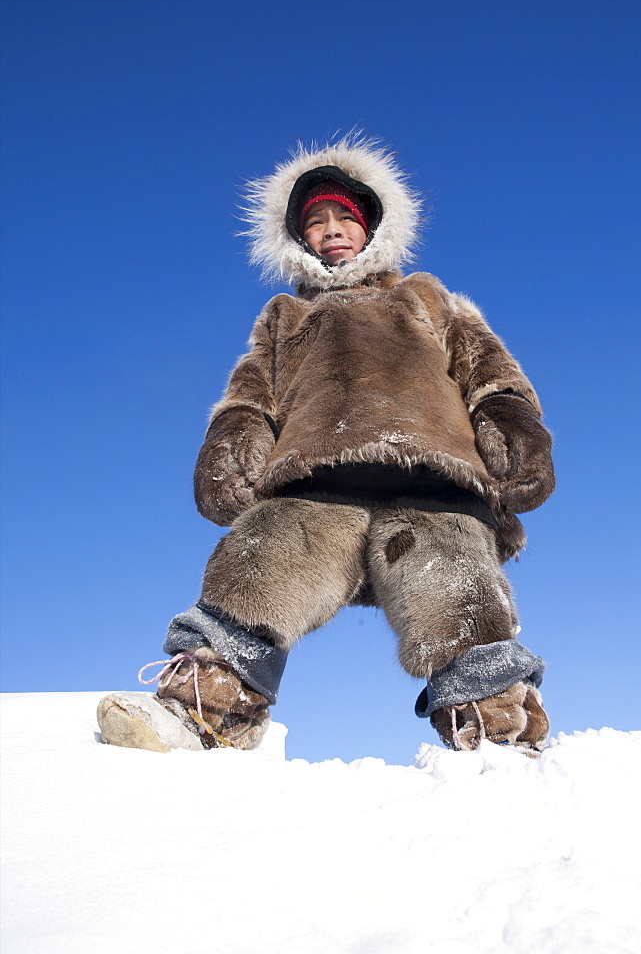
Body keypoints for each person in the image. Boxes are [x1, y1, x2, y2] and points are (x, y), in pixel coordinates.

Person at [97, 135, 555, 756]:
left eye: (345, 217)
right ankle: (205, 710)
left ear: (371, 227)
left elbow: (489, 372)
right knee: (258, 564)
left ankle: (495, 728)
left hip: (435, 479)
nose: (332, 230)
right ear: (297, 238)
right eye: (316, 221)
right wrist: (234, 440)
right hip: (316, 485)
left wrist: (510, 422)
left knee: (456, 589)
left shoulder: (426, 297)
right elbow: (252, 395)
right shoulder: (285, 316)